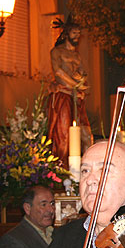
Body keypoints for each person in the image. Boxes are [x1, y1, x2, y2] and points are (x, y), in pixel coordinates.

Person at [47, 15, 93, 167]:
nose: (77, 37)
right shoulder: (57, 51)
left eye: (79, 34)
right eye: (74, 33)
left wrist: (83, 84)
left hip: (77, 98)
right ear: (66, 33)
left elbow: (82, 73)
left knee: (87, 137)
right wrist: (75, 84)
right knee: (64, 137)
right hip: (64, 95)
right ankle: (62, 169)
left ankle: (86, 169)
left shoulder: (77, 55)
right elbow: (58, 71)